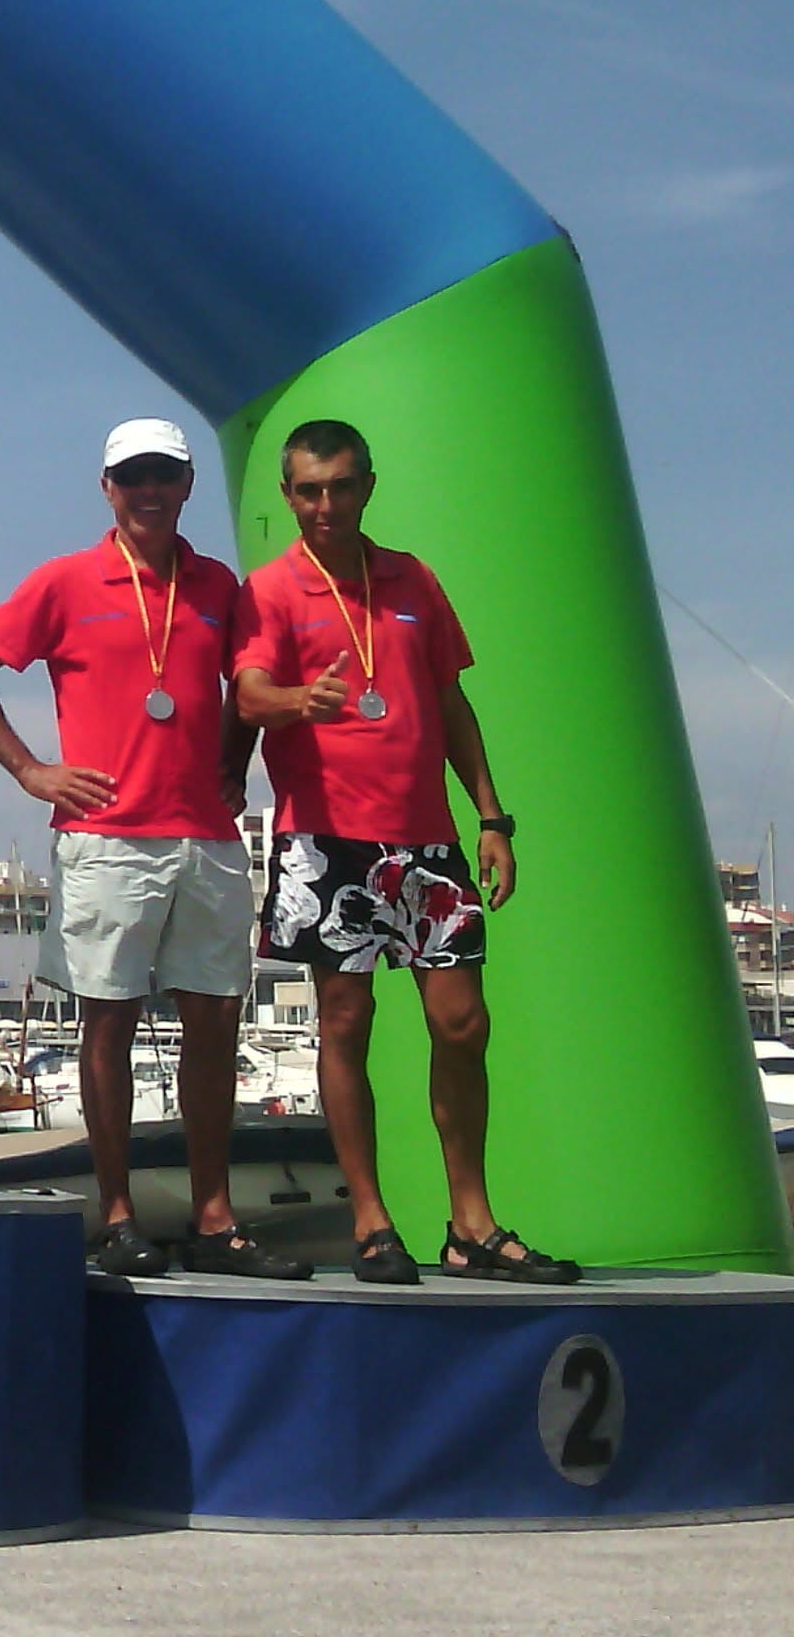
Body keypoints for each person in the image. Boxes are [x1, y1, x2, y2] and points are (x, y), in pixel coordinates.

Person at [0, 420, 303, 1276]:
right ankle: (114, 1214)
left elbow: (244, 690)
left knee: (214, 1022)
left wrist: (234, 761)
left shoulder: (218, 585)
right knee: (108, 1024)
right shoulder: (67, 580)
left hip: (207, 838)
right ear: (108, 487)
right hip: (107, 838)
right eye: (131, 476)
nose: (148, 490)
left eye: (164, 475)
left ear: (186, 486)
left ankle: (216, 1219)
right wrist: (31, 770)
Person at [232, 418, 578, 1285]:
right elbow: (246, 693)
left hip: (426, 836)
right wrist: (295, 699)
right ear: (287, 496)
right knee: (346, 1024)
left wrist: (491, 816)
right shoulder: (271, 589)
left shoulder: (413, 578)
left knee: (463, 1023)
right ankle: (372, 1221)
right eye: (307, 490)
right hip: (325, 838)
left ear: (367, 486)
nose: (324, 505)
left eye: (340, 487)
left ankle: (471, 1225)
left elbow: (452, 703)